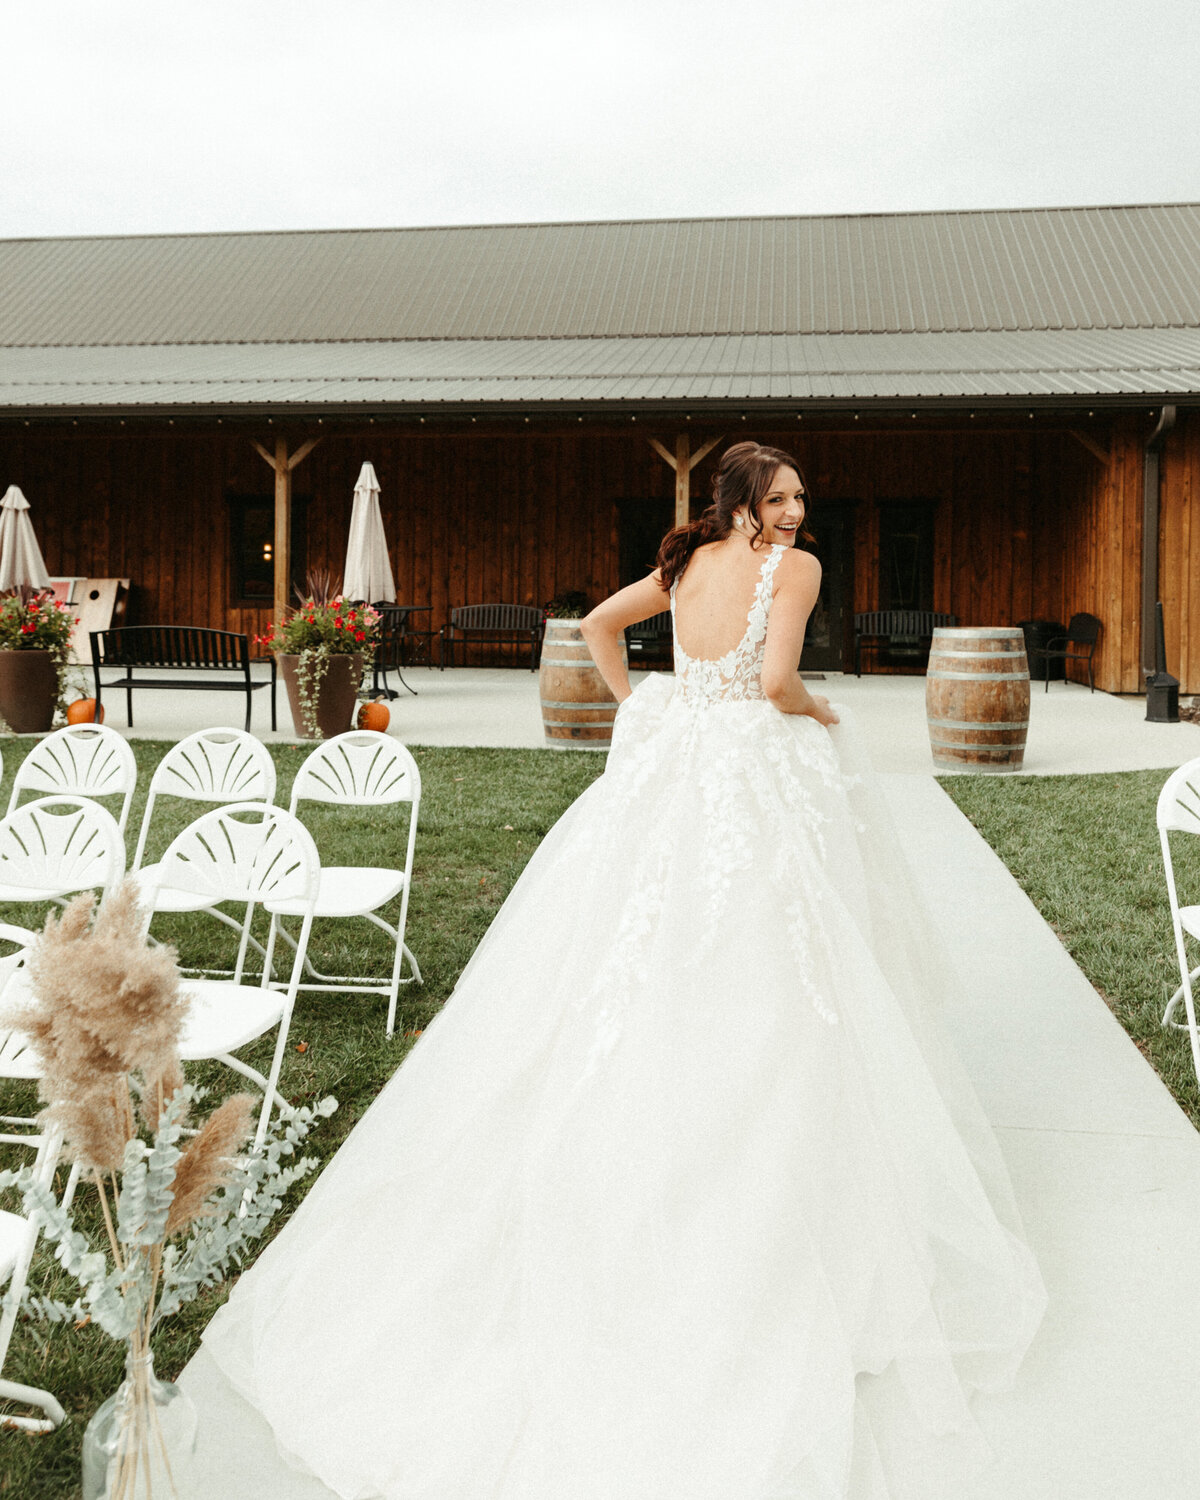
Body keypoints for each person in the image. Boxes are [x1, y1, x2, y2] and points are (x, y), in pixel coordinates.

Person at [203, 440, 1046, 1500]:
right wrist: (820, 713)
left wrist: (646, 706)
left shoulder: (684, 562)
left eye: (799, 502)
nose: (795, 515)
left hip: (676, 762)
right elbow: (779, 680)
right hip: (752, 768)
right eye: (782, 498)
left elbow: (602, 632)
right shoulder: (796, 571)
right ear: (747, 501)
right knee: (779, 966)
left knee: (634, 952)